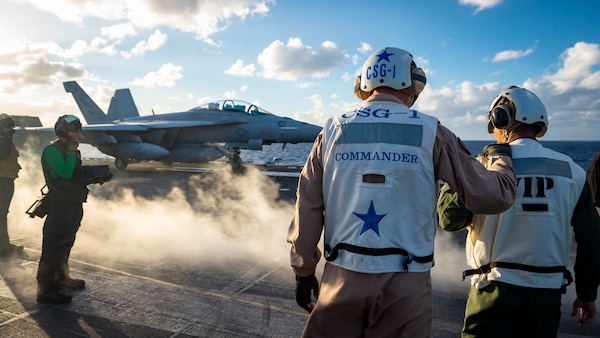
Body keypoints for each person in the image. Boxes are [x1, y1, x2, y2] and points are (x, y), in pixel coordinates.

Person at [287, 47, 519, 337]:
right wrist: (501, 160)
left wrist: (303, 270)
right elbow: (493, 196)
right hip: (407, 280)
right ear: (412, 84)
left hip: (342, 275)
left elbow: (307, 206)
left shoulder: (332, 130)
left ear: (364, 83)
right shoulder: (432, 131)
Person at [437, 86, 600, 337]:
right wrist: (587, 294)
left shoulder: (482, 165)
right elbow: (591, 240)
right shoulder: (572, 172)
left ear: (500, 119)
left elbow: (448, 219)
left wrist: (471, 169)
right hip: (547, 294)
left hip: (493, 291)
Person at [36, 114, 111, 304]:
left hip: (73, 203)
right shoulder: (52, 150)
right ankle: (45, 291)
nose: (78, 133)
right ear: (63, 130)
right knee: (53, 247)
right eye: (74, 129)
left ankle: (62, 280)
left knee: (66, 243)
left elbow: (76, 176)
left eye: (79, 129)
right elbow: (66, 173)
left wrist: (95, 179)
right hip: (59, 204)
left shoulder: (73, 152)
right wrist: (71, 151)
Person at [0, 113, 23, 257]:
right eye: (7, 126)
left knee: (2, 214)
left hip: (5, 181)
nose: (10, 130)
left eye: (11, 126)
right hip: (3, 182)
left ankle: (4, 245)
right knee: (1, 214)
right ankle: (3, 248)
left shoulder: (4, 142)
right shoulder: (2, 143)